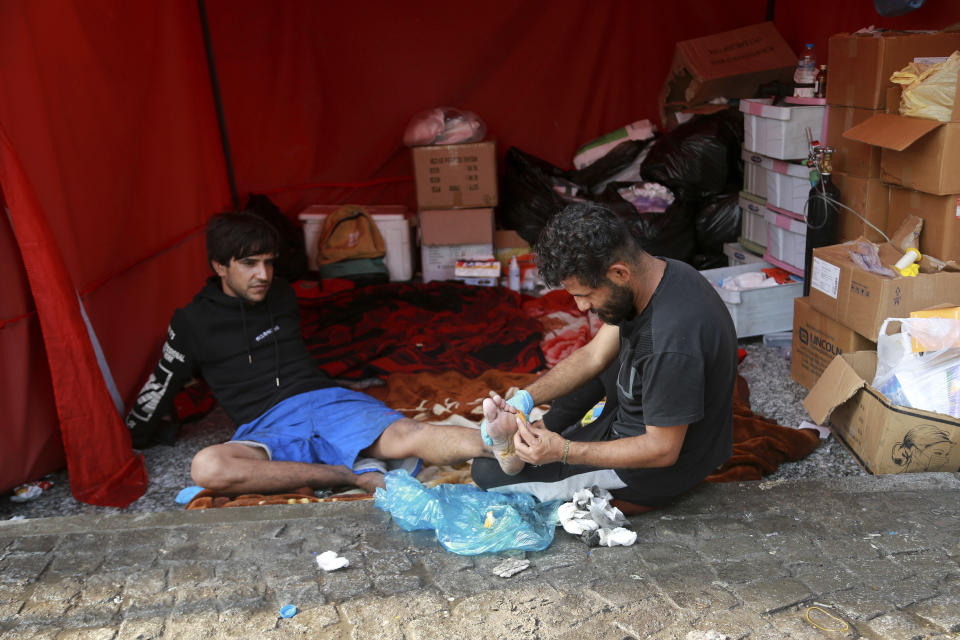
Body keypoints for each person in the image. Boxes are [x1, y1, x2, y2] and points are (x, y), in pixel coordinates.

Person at [125, 211, 521, 495]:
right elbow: (160, 385)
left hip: (323, 399)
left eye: (268, 263)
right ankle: (347, 475)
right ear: (219, 266)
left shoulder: (280, 293)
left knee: (410, 434)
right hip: (266, 425)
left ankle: (508, 445)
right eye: (249, 264)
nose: (263, 275)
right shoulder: (193, 322)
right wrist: (132, 437)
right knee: (206, 466)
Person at [472, 202, 738, 512]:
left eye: (584, 295)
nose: (582, 308)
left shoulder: (668, 341)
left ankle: (613, 489)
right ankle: (541, 429)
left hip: (655, 469)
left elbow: (663, 450)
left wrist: (566, 451)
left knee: (484, 472)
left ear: (619, 273)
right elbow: (594, 356)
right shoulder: (658, 274)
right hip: (632, 416)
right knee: (602, 366)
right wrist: (526, 399)